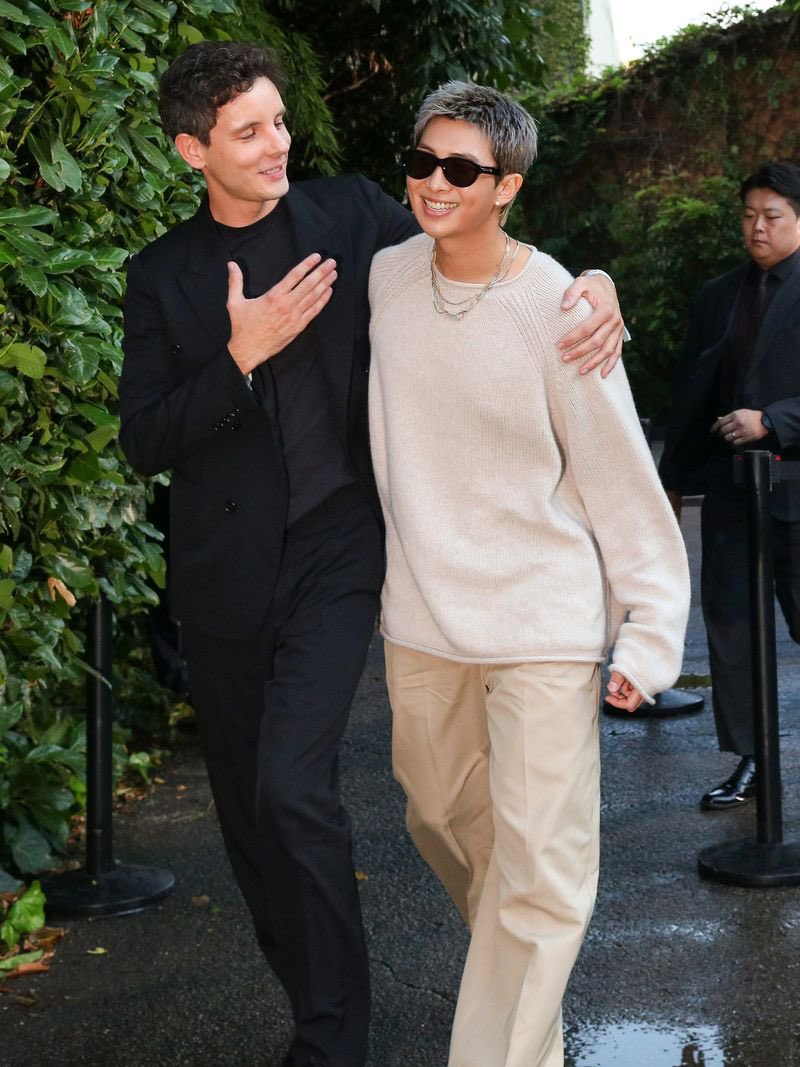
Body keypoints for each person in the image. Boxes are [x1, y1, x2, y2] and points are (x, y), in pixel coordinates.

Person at [118, 41, 628, 1067]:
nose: (276, 144)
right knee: (253, 827)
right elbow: (143, 438)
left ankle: (330, 1038)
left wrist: (589, 282)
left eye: (277, 122)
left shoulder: (350, 215)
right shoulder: (162, 275)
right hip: (224, 576)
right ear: (190, 151)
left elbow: (470, 255)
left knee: (293, 788)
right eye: (248, 131)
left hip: (340, 547)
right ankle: (316, 995)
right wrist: (238, 356)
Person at [367, 82, 690, 1067]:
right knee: (437, 814)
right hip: (421, 615)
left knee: (541, 873)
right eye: (421, 161)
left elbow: (618, 479)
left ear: (504, 185)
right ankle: (520, 999)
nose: (432, 182)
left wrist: (646, 632)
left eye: (459, 169)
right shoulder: (382, 275)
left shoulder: (558, 306)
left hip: (541, 623)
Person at [660, 162, 800, 812]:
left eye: (771, 215)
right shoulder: (720, 294)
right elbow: (693, 393)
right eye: (748, 214)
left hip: (795, 491)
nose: (757, 227)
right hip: (729, 494)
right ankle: (751, 758)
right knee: (734, 632)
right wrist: (673, 480)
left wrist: (773, 420)